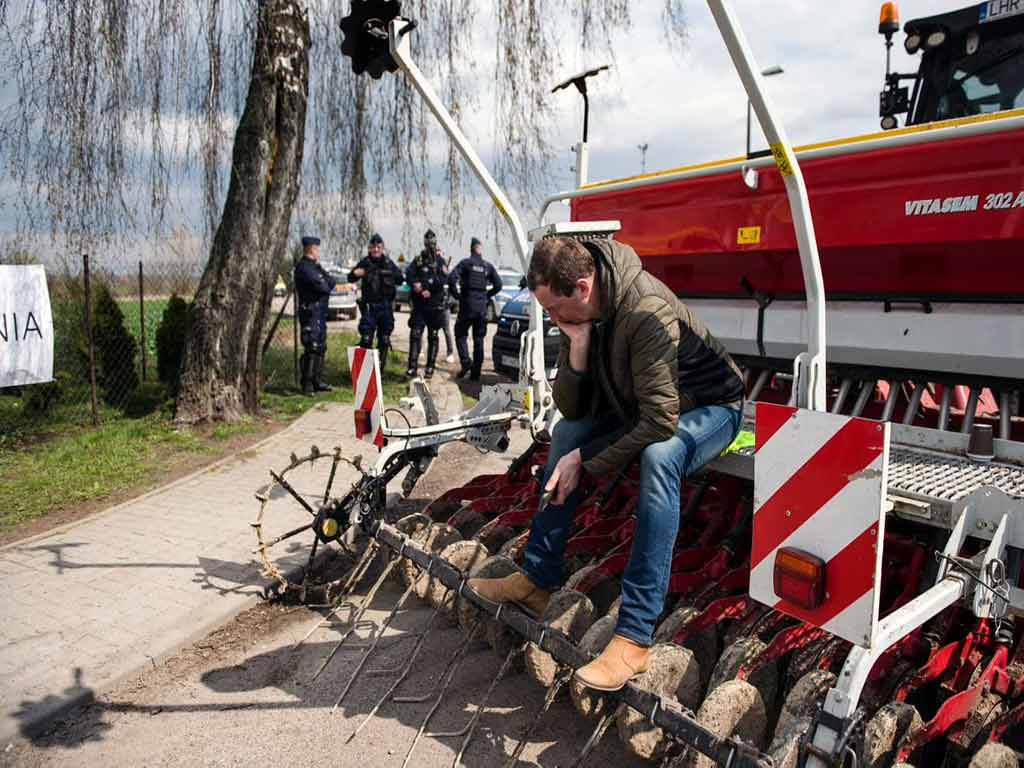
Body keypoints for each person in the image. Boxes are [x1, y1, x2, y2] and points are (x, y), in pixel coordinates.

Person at [467, 236, 745, 692]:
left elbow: (659, 423)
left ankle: (635, 638)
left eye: (557, 310)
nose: (554, 321)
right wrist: (576, 348)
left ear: (582, 286)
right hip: (650, 406)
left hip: (712, 406)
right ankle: (537, 580)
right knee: (566, 434)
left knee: (661, 455)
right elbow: (575, 412)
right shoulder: (585, 313)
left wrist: (588, 463)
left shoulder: (645, 310)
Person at [448, 236, 502, 380]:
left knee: (460, 334)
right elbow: (499, 285)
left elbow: (451, 279)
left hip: (467, 305)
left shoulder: (465, 263)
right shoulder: (487, 266)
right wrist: (486, 295)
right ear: (480, 248)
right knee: (479, 339)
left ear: (471, 249)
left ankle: (466, 363)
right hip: (481, 308)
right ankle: (476, 372)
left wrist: (457, 295)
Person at [348, 232, 404, 363]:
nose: (376, 249)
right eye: (373, 247)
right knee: (366, 339)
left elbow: (400, 279)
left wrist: (393, 274)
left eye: (378, 247)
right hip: (370, 306)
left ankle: (379, 370)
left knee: (384, 339)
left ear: (382, 248)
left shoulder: (388, 263)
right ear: (369, 248)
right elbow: (351, 277)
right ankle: (364, 370)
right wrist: (355, 273)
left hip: (386, 307)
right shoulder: (365, 262)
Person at [294, 235, 337, 396]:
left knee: (320, 346)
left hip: (319, 313)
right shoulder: (304, 267)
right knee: (311, 347)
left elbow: (330, 282)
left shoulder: (316, 267)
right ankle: (307, 384)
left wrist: (325, 281)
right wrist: (325, 283)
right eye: (317, 248)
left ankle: (317, 381)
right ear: (311, 248)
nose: (319, 251)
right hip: (310, 312)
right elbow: (324, 287)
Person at [404, 229, 449, 378]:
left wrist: (430, 289)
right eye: (428, 243)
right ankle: (412, 367)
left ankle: (430, 367)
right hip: (419, 305)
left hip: (435, 305)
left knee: (433, 335)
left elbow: (443, 280)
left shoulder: (441, 261)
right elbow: (409, 275)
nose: (430, 246)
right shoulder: (418, 260)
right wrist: (416, 285)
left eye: (432, 243)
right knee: (416, 334)